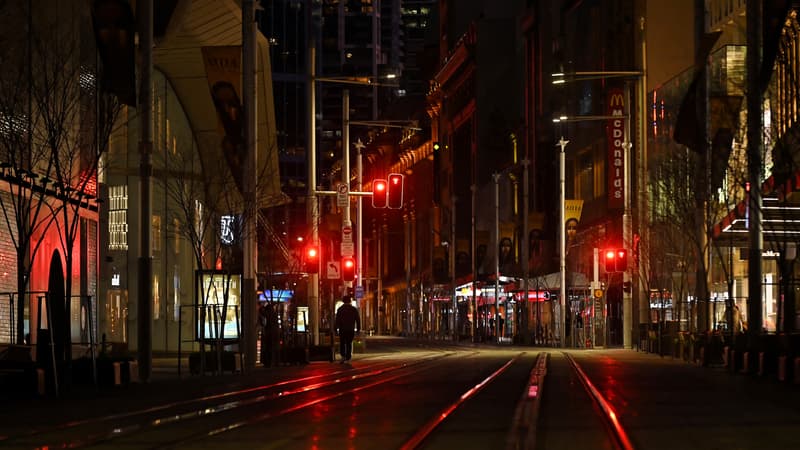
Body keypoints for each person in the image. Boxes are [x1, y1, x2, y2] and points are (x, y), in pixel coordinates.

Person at [335, 295, 361, 363]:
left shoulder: (340, 309)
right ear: (350, 301)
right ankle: (348, 357)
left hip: (342, 329)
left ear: (343, 301)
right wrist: (358, 329)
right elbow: (358, 320)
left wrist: (336, 328)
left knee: (342, 343)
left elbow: (337, 320)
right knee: (349, 343)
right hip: (350, 329)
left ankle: (343, 356)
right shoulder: (354, 309)